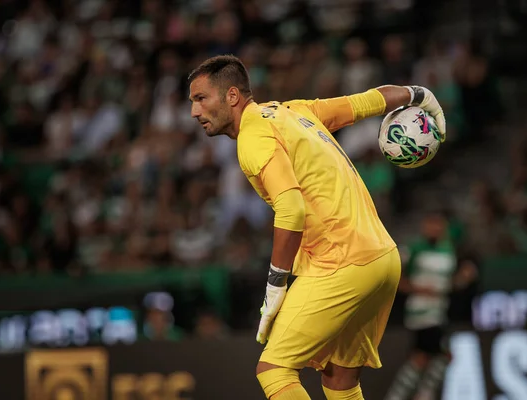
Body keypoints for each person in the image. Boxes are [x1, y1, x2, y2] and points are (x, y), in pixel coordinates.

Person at [187, 55, 446, 400]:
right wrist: (417, 94)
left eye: (200, 98)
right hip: (383, 260)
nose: (194, 111)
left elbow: (291, 210)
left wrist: (275, 285)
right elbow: (367, 102)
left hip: (341, 264)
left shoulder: (253, 137)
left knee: (274, 370)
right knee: (339, 378)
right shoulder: (293, 111)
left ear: (232, 96)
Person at [384, 212, 478, 400]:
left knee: (431, 357)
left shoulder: (449, 250)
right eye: (431, 224)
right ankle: (411, 395)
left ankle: (419, 394)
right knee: (431, 356)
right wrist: (417, 289)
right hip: (421, 312)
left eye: (439, 224)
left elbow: (450, 284)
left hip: (439, 311)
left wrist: (463, 278)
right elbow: (394, 277)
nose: (435, 228)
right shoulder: (413, 248)